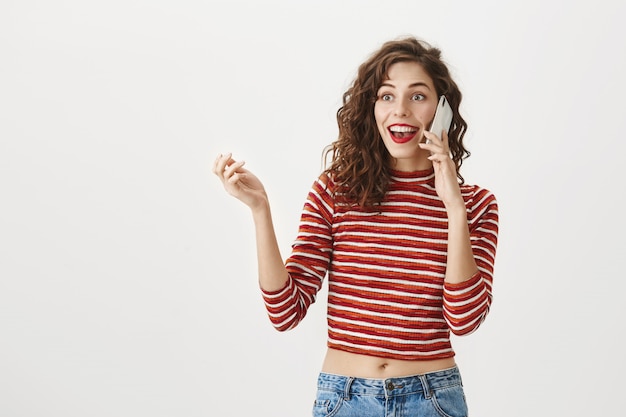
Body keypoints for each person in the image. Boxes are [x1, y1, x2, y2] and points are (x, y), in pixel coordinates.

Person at [213, 36, 498, 417]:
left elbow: (464, 319)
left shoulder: (476, 205)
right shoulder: (335, 191)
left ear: (442, 108)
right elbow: (285, 312)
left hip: (433, 400)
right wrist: (260, 210)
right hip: (344, 400)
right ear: (371, 107)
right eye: (386, 96)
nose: (401, 110)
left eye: (417, 96)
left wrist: (454, 208)